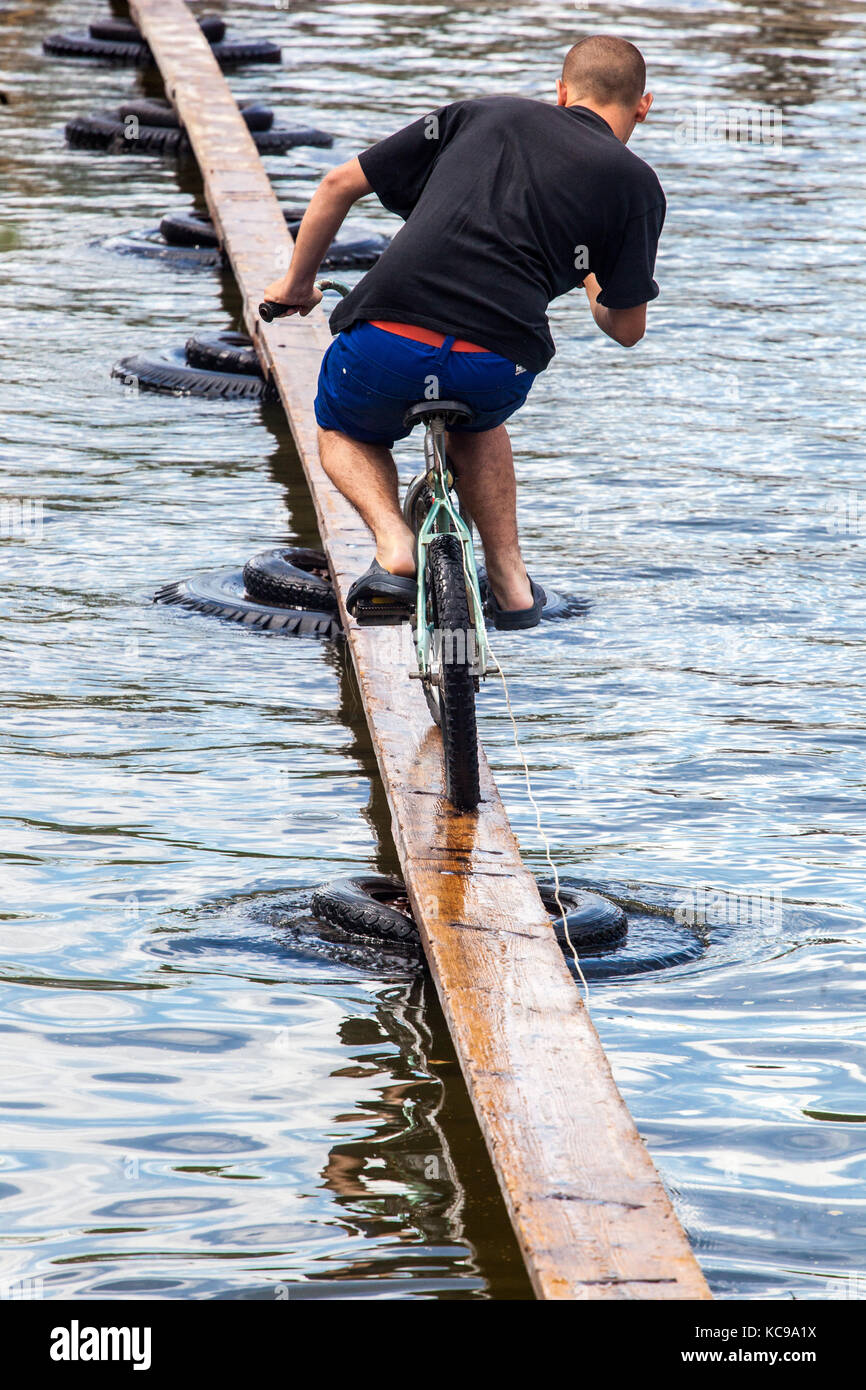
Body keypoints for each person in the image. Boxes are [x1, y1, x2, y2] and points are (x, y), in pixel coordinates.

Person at [263, 34, 665, 629]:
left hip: (387, 337)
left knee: (343, 430)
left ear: (560, 93)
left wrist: (297, 285)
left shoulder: (480, 113)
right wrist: (592, 275)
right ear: (643, 106)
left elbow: (335, 187)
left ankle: (393, 543)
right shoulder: (636, 184)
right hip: (496, 360)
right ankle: (510, 580)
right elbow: (626, 329)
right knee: (481, 424)